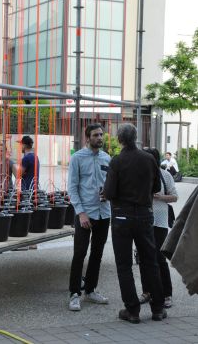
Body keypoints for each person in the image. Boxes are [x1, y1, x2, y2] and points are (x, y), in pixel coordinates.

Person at [103, 123, 167, 323]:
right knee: (150, 262)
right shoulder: (149, 159)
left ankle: (132, 310)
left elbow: (110, 192)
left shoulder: (117, 161)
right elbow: (157, 186)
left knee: (124, 265)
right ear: (136, 137)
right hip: (145, 215)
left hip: (122, 217)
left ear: (120, 140)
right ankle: (157, 308)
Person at [68, 123, 110, 312]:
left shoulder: (107, 158)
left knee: (97, 254)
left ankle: (91, 290)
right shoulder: (77, 158)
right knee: (79, 253)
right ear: (87, 137)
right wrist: (81, 212)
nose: (100, 138)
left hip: (104, 212)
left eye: (101, 134)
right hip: (85, 213)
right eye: (96, 135)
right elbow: (72, 187)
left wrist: (109, 193)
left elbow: (110, 184)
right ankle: (74, 293)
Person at [139, 147, 178, 309]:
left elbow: (175, 197)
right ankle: (147, 291)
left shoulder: (165, 175)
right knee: (142, 257)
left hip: (159, 222)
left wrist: (161, 197)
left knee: (159, 258)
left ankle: (167, 294)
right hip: (142, 220)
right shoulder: (140, 175)